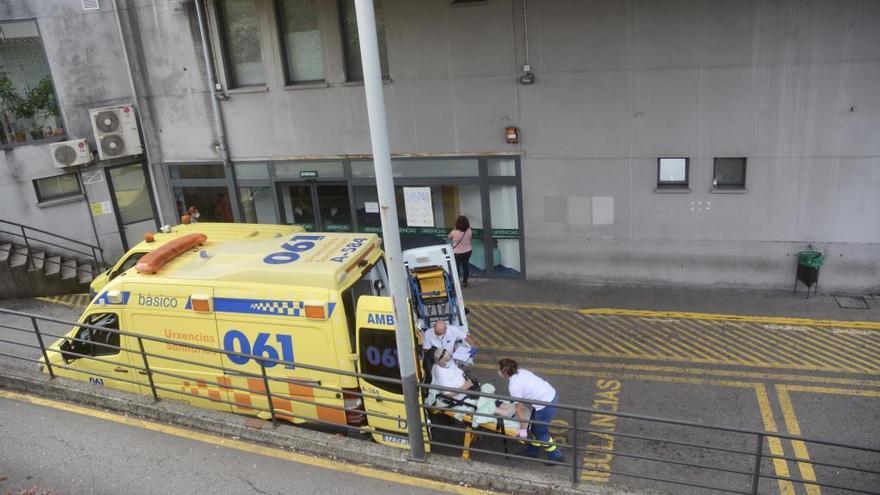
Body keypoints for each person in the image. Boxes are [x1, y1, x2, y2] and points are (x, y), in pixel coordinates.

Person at [498, 358, 565, 464]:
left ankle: (556, 456)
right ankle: (532, 451)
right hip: (550, 396)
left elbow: (519, 410)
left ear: (503, 372)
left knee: (540, 432)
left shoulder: (514, 386)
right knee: (535, 428)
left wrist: (523, 431)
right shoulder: (522, 372)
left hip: (545, 406)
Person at [447, 215, 473, 287]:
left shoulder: (454, 232)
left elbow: (449, 237)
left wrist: (454, 229)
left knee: (457, 267)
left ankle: (457, 282)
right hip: (468, 251)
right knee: (465, 265)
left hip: (457, 253)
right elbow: (470, 236)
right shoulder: (469, 230)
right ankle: (465, 281)